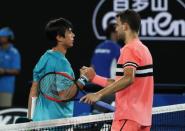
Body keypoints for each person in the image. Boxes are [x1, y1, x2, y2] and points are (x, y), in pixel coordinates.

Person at [80, 9, 154, 131]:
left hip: (127, 118)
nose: (116, 29)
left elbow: (128, 78)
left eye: (118, 25)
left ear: (125, 26)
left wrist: (98, 94)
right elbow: (123, 81)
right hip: (143, 119)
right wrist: (95, 78)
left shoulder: (129, 49)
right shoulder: (144, 49)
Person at [28, 18, 85, 121]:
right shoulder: (62, 63)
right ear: (59, 37)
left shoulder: (44, 57)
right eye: (69, 32)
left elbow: (34, 90)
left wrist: (30, 119)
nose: (73, 35)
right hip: (57, 123)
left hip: (39, 121)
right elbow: (64, 96)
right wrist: (83, 79)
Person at [0, 27, 21, 107]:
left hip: (6, 88)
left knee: (4, 111)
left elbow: (17, 70)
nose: (0, 38)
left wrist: (3, 71)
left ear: (8, 38)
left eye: (2, 36)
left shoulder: (14, 52)